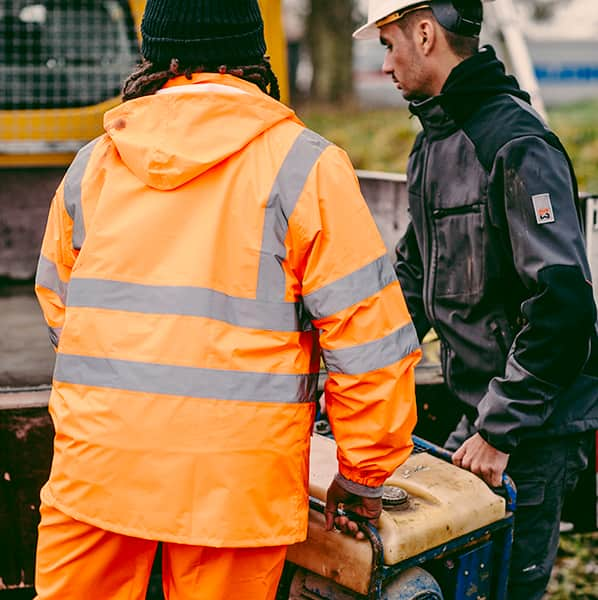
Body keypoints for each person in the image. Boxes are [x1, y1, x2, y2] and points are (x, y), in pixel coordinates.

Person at [33, 1, 421, 598]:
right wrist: (364, 475)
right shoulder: (305, 166)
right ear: (253, 55)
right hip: (234, 486)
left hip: (97, 473)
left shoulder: (95, 164)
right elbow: (368, 345)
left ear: (154, 56)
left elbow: (62, 310)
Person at [353, 1, 598, 599]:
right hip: (480, 417)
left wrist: (499, 430)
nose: (385, 65)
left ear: (426, 33)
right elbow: (412, 280)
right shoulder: (433, 144)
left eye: (389, 44)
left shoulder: (516, 143)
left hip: (531, 429)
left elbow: (563, 305)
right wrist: (355, 375)